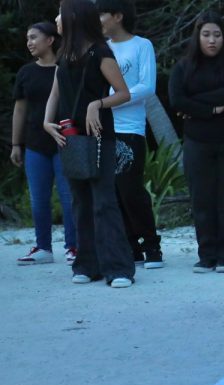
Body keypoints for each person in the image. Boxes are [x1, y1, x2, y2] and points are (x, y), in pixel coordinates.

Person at [43, 0, 135, 288]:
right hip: (70, 137)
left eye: (60, 14)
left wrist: (97, 104)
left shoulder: (100, 52)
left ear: (74, 17)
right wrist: (46, 122)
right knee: (80, 202)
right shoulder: (64, 53)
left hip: (98, 137)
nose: (56, 19)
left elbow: (123, 93)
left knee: (104, 201)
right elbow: (56, 92)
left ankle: (119, 269)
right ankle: (86, 264)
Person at [169, 11, 224, 274]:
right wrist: (212, 109)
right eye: (206, 34)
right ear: (197, 36)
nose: (212, 40)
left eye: (217, 34)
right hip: (197, 142)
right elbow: (176, 100)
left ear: (223, 37)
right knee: (202, 200)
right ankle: (206, 255)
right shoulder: (184, 67)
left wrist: (195, 103)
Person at [97, 0, 164, 269]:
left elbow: (147, 86)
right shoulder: (100, 49)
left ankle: (152, 246)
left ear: (118, 16)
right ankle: (129, 247)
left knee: (130, 189)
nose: (97, 21)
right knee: (112, 191)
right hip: (103, 128)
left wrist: (108, 101)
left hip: (130, 129)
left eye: (101, 14)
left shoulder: (141, 45)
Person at [12, 22, 77, 266]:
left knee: (69, 197)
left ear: (50, 40)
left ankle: (74, 247)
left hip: (65, 141)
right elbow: (20, 110)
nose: (29, 43)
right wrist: (16, 144)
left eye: (33, 37)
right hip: (35, 145)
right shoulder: (26, 72)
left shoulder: (66, 67)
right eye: (27, 38)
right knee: (38, 199)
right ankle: (43, 248)